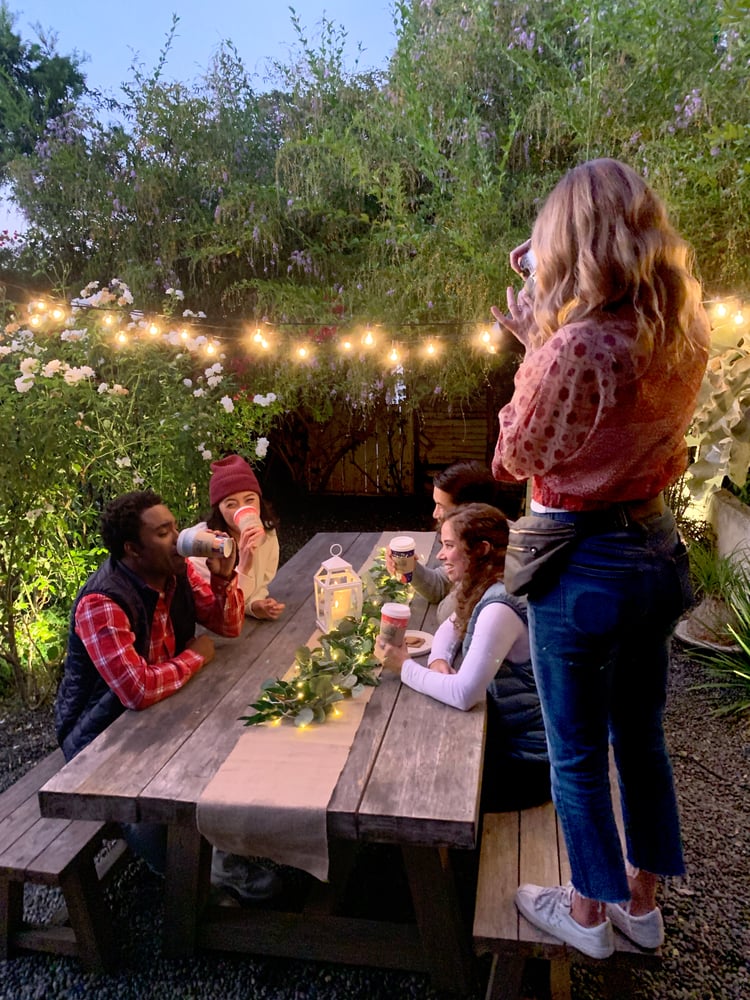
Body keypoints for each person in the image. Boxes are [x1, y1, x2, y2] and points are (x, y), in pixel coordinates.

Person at [491, 159, 710, 958]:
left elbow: (514, 456)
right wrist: (548, 302)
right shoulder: (683, 328)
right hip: (653, 550)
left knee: (577, 753)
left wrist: (532, 348)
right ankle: (640, 907)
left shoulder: (574, 349)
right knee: (641, 739)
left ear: (570, 245)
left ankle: (587, 916)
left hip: (584, 565)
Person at [55, 489, 280, 900]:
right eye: (163, 533)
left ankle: (222, 849)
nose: (178, 538)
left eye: (175, 527)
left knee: (243, 733)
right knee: (147, 800)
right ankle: (196, 881)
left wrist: (224, 577)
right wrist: (195, 656)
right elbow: (136, 689)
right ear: (132, 549)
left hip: (165, 706)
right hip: (104, 735)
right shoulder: (102, 602)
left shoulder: (179, 572)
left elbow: (229, 626)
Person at [379, 503, 549, 810]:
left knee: (406, 782)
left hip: (525, 763)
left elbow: (464, 694)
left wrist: (404, 667)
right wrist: (438, 660)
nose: (440, 555)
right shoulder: (490, 582)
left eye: (449, 546)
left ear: (481, 550)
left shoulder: (500, 607)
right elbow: (452, 624)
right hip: (500, 734)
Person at [386, 460, 502, 625]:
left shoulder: (496, 559)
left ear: (468, 511)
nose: (435, 514)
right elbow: (441, 586)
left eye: (441, 506)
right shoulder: (475, 536)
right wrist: (410, 567)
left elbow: (446, 613)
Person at [190, 454, 285, 620]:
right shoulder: (203, 545)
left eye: (250, 500)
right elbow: (221, 610)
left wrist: (254, 605)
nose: (243, 509)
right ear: (218, 510)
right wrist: (244, 567)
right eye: (231, 504)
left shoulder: (267, 534)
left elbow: (261, 584)